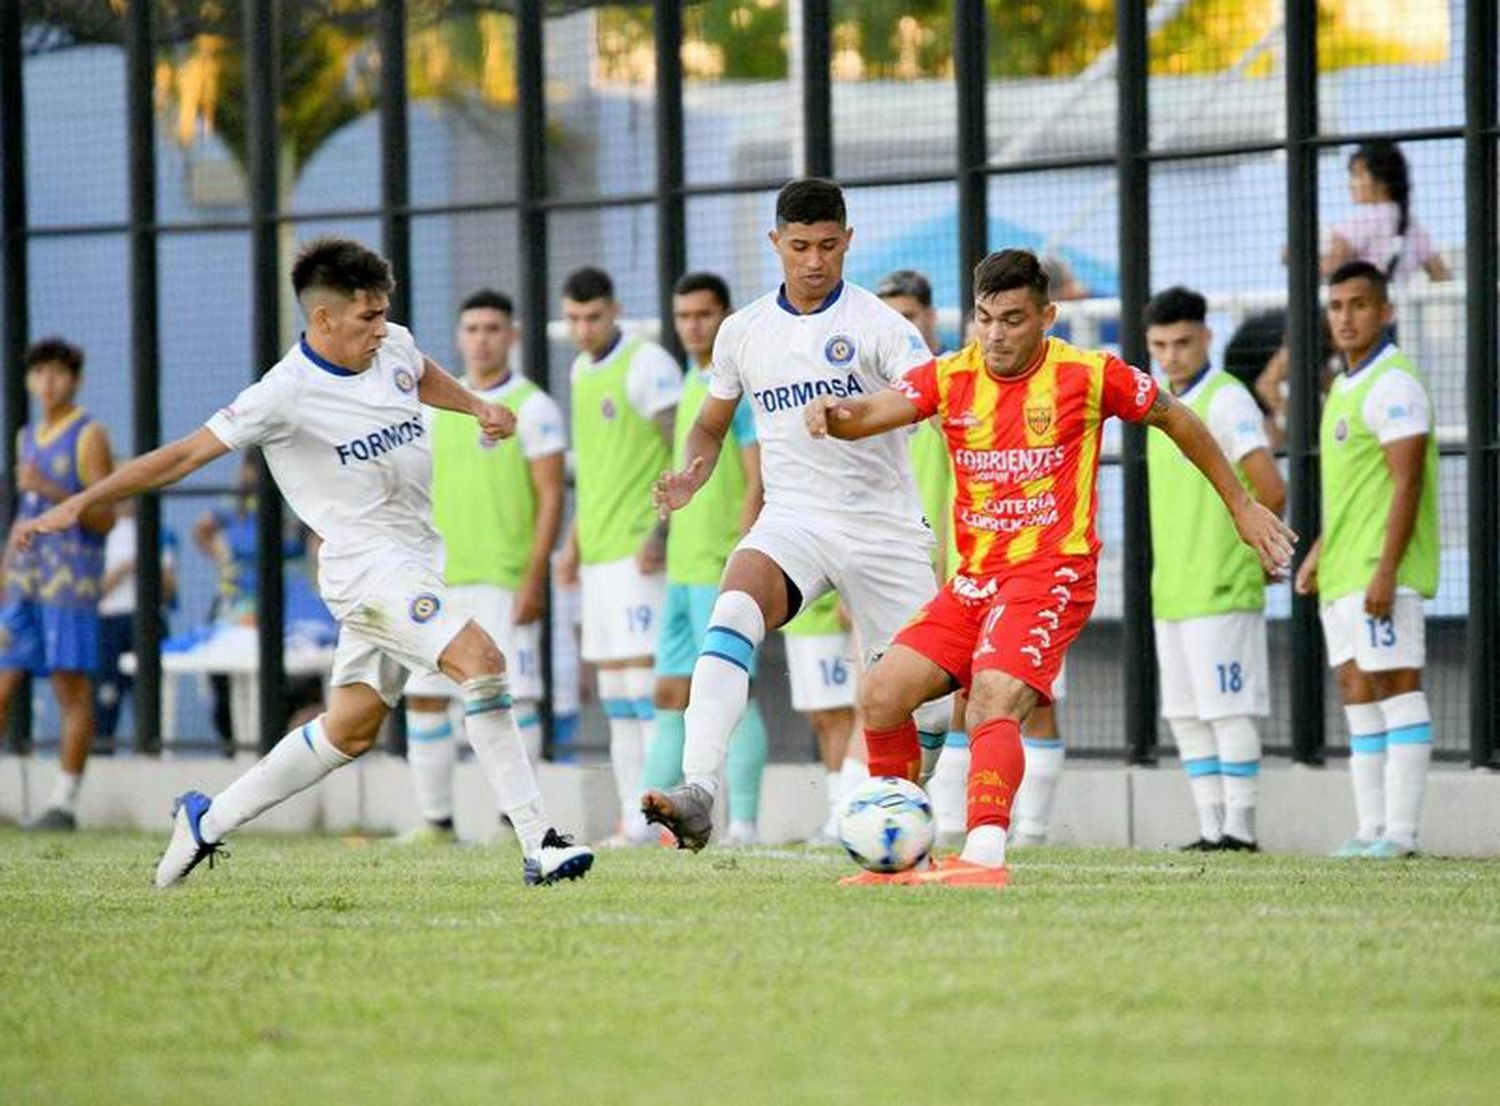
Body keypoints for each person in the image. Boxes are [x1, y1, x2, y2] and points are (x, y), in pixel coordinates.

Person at [14, 237, 592, 887]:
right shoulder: (282, 394)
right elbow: (181, 456)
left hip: (417, 560)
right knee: (482, 664)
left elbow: (418, 369)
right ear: (323, 319)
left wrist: (478, 406)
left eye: (384, 312)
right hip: (365, 571)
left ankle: (206, 820)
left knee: (350, 730)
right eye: (366, 317)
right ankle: (539, 838)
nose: (382, 328)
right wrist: (79, 503)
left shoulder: (392, 343)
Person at [806, 248, 1294, 887]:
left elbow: (1175, 416)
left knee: (990, 700)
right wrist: (832, 417)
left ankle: (984, 854)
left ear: (1047, 317)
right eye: (984, 318)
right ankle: (902, 855)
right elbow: (871, 412)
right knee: (880, 693)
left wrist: (1242, 506)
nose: (995, 335)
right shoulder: (951, 375)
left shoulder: (1090, 375)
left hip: (1051, 572)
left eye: (1011, 319)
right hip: (974, 579)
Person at [642, 177, 951, 851]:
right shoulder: (744, 331)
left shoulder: (880, 326)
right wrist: (695, 470)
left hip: (885, 527)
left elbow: (928, 397)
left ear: (849, 241)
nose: (815, 261)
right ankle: (699, 791)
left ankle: (903, 818)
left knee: (929, 704)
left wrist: (853, 417)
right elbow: (710, 424)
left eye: (830, 246)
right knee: (732, 610)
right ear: (775, 243)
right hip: (795, 520)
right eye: (801, 246)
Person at [878, 269, 1066, 847]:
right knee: (901, 696)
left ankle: (1023, 829)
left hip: (1033, 567)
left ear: (931, 320)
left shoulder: (957, 387)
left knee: (1011, 698)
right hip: (953, 572)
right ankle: (925, 828)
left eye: (908, 317)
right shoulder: (917, 391)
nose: (996, 332)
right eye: (987, 319)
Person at [397, 289, 565, 845]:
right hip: (438, 577)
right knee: (424, 695)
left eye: (493, 328)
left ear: (512, 335)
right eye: (472, 329)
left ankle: (509, 823)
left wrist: (534, 575)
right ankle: (436, 822)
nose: (482, 338)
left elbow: (550, 498)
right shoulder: (431, 409)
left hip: (503, 576)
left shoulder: (534, 407)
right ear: (459, 337)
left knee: (509, 698)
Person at [1295, 261, 1439, 859]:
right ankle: (1371, 828)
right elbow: (1357, 490)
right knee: (1356, 689)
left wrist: (1385, 570)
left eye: (1358, 305)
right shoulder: (1346, 385)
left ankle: (1402, 834)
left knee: (1395, 685)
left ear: (1385, 312)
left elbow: (1405, 486)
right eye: (1337, 307)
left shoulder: (1395, 384)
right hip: (1344, 570)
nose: (1346, 317)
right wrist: (1320, 554)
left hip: (1383, 571)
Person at [1144, 286, 1286, 852]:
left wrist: (1260, 553)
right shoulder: (1159, 405)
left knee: (1229, 710)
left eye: (1183, 342)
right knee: (1186, 714)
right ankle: (1209, 829)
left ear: (1206, 336)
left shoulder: (1227, 400)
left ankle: (1241, 830)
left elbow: (1272, 488)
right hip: (1173, 587)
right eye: (1160, 345)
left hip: (1222, 585)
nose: (1172, 355)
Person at [637, 272, 769, 847]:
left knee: (730, 691)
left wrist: (744, 549)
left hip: (720, 563)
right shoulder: (696, 381)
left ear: (724, 317)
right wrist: (660, 536)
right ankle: (648, 822)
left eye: (703, 315)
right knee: (669, 691)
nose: (693, 325)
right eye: (683, 315)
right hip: (683, 565)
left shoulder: (737, 387)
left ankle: (744, 825)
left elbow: (756, 473)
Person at [554, 266, 683, 844]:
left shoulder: (648, 364)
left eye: (593, 317)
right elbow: (597, 469)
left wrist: (662, 532)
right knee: (614, 695)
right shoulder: (582, 370)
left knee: (646, 688)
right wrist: (573, 542)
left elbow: (679, 449)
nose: (583, 329)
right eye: (575, 319)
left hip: (638, 550)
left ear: (615, 311)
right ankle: (633, 817)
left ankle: (661, 816)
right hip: (599, 552)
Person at [0, 338, 115, 830]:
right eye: (39, 373)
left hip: (69, 581)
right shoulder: (28, 436)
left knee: (70, 687)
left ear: (76, 380)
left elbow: (106, 516)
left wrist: (51, 491)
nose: (48, 383)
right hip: (25, 582)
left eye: (59, 373)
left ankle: (63, 802)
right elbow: (22, 514)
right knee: (4, 683)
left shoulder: (89, 435)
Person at [95, 498, 179, 746]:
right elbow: (92, 591)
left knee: (148, 694)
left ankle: (151, 748)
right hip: (110, 621)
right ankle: (101, 751)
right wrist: (122, 569)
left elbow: (169, 590)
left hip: (147, 620)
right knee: (105, 696)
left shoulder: (157, 532)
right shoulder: (100, 532)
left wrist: (149, 566)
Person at [1322, 140, 1449, 283]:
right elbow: (1441, 275)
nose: (1350, 184)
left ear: (1382, 180)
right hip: (1398, 304)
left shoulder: (1361, 221)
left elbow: (1330, 267)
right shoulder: (1413, 225)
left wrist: (1296, 255)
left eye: (1358, 175)